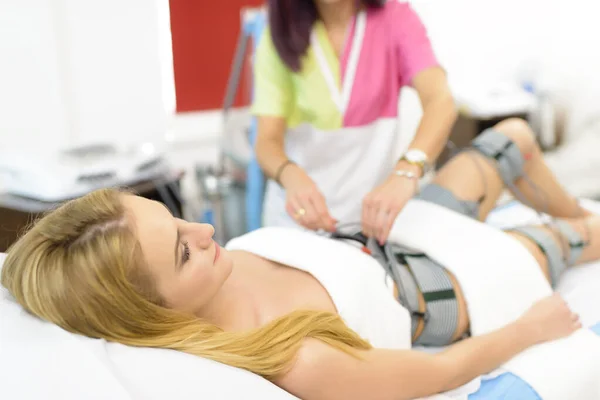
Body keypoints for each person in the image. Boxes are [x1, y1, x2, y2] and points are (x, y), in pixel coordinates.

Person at [2, 118, 597, 399]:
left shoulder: (217, 266)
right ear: (151, 313)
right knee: (574, 237)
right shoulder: (296, 358)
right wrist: (527, 330)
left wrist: (315, 233)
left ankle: (581, 215)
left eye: (177, 218)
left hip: (388, 240)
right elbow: (440, 374)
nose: (207, 227)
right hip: (439, 288)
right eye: (185, 251)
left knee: (515, 137)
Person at [253, 0, 457, 243]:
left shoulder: (395, 19)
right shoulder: (280, 32)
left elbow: (440, 101)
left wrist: (407, 171)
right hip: (295, 221)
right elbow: (267, 141)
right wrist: (290, 175)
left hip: (370, 222)